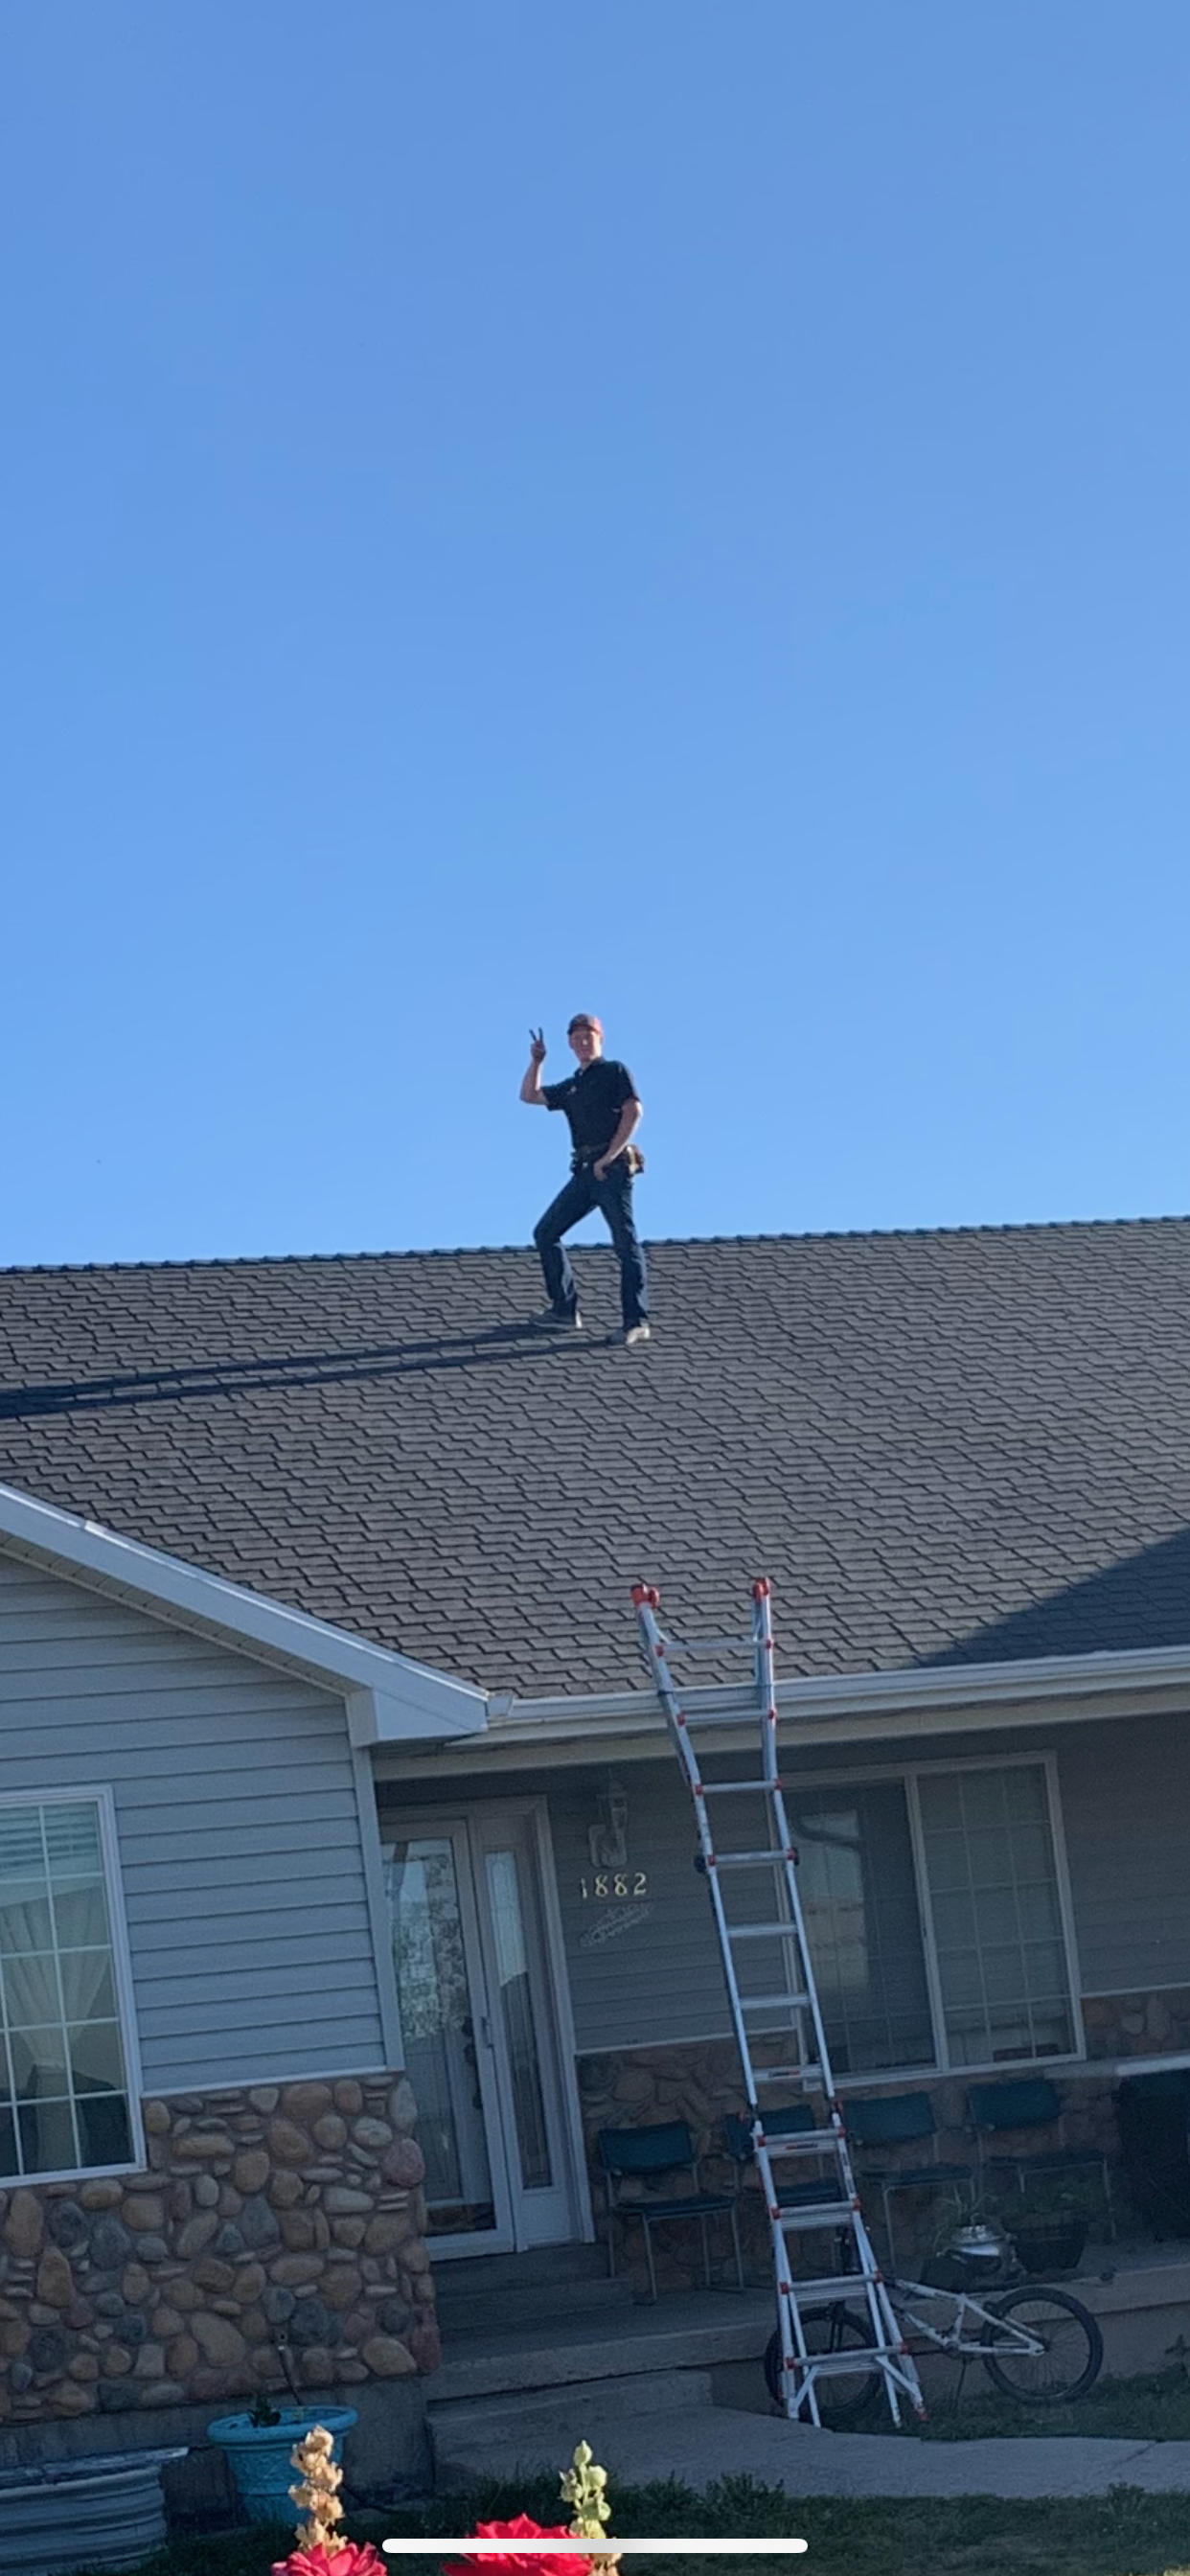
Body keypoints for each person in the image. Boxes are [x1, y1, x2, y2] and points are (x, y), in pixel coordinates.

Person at [519, 1014, 651, 1345]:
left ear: (600, 1039)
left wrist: (609, 1156)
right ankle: (565, 1310)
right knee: (546, 1232)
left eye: (587, 1036)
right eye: (576, 1038)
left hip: (611, 1167)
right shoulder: (573, 1084)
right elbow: (530, 1096)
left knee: (624, 1241)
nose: (582, 1042)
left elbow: (634, 1111)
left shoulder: (613, 1071)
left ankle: (636, 1320)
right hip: (584, 1170)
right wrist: (537, 1061)